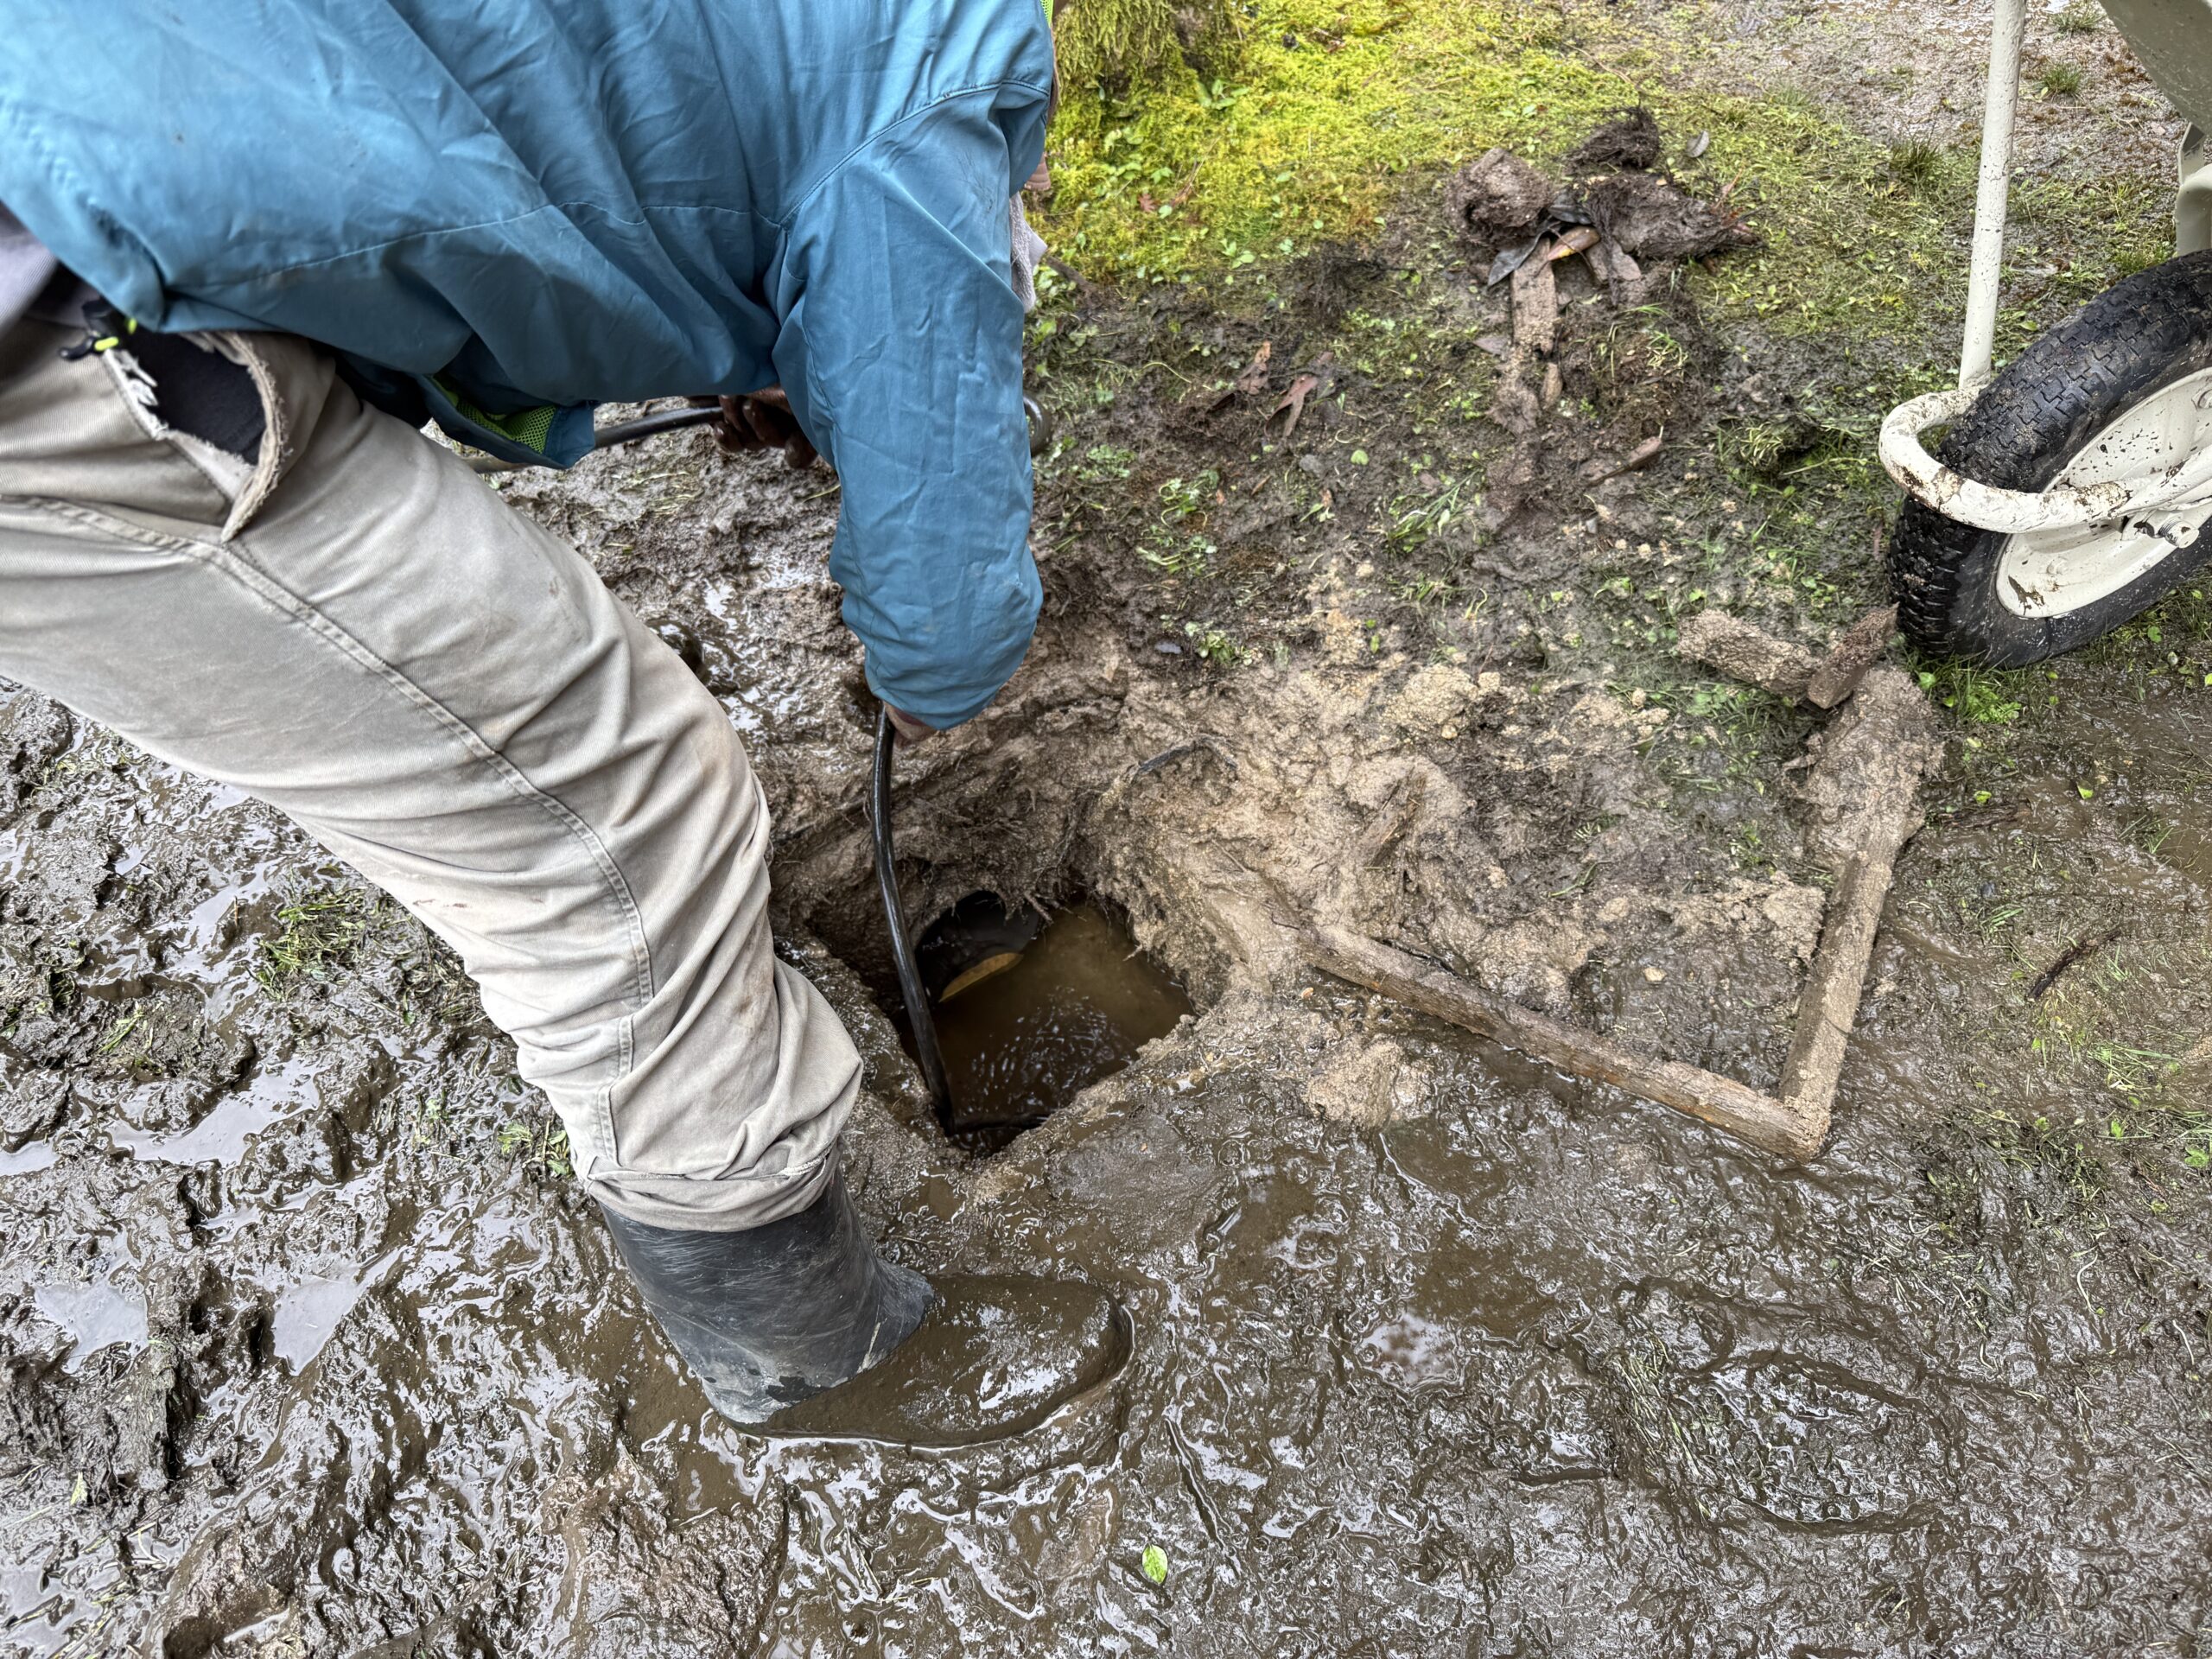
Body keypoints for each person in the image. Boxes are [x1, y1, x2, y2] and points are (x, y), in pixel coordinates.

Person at [0, 1, 1120, 1441]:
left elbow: (624, 123)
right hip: (70, 320)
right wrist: (930, 675)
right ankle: (814, 1363)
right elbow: (947, 601)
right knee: (621, 825)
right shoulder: (930, 93)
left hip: (108, 148)